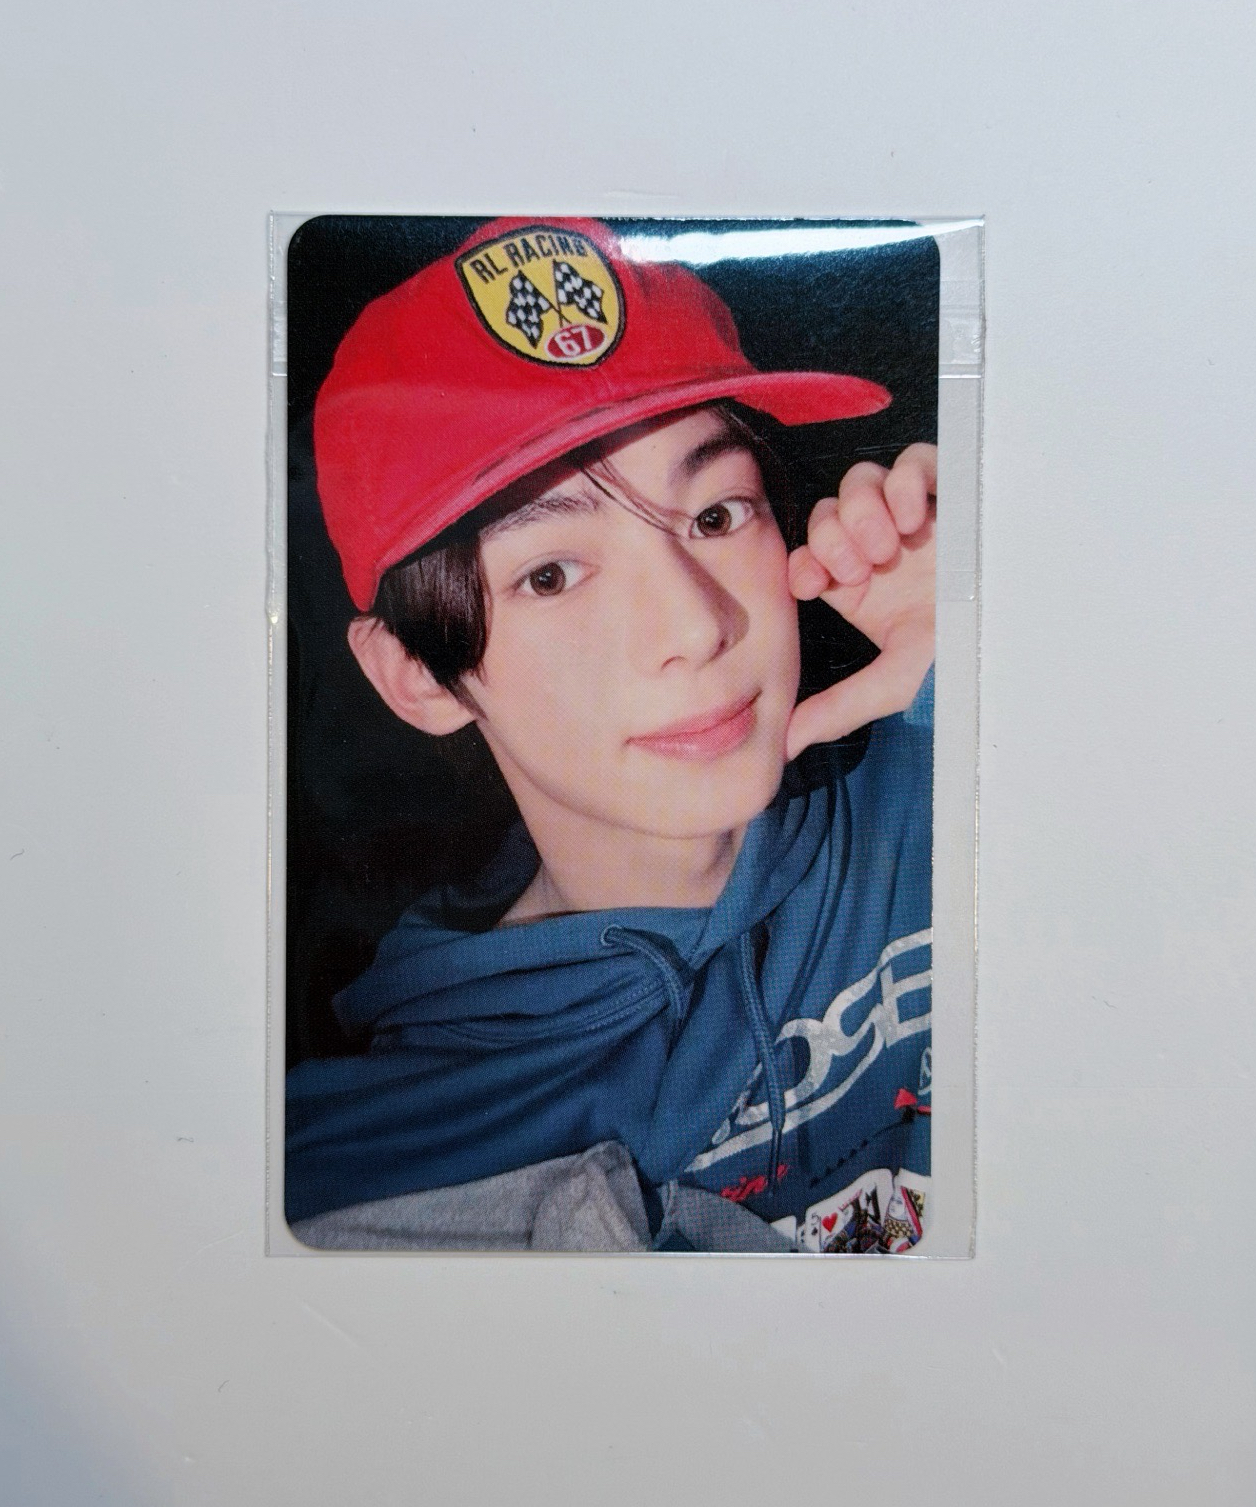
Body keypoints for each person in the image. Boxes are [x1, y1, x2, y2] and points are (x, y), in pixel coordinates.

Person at [285, 217, 937, 1253]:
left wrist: (1008, 680)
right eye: (550, 574)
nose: (695, 626)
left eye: (716, 515)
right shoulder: (366, 1165)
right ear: (417, 672)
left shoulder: (940, 787)